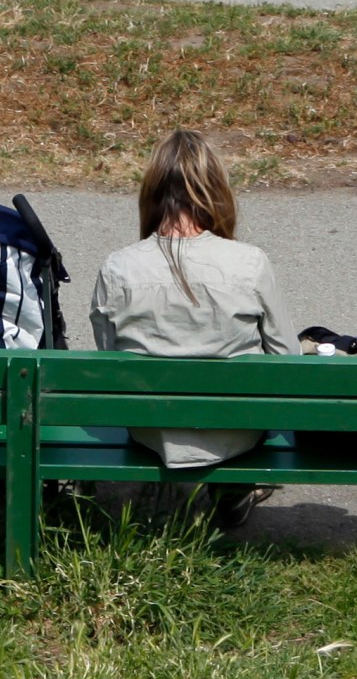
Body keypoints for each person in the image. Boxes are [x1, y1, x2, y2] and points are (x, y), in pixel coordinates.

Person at [90, 128, 288, 470]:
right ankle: (232, 496)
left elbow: (111, 360)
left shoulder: (117, 267)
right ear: (218, 191)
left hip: (150, 431)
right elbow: (287, 359)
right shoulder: (250, 262)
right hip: (237, 432)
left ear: (150, 193)